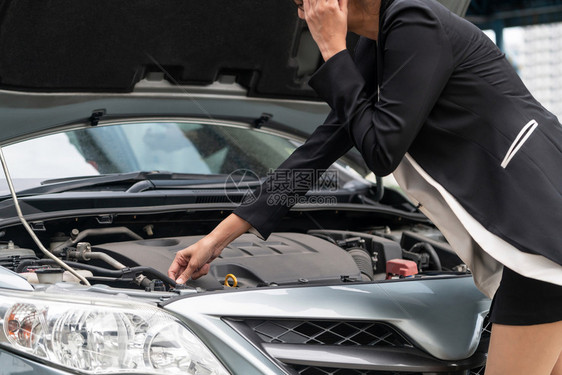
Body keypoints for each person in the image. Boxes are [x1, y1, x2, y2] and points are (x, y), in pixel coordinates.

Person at [168, 0, 562, 373]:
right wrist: (217, 240)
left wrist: (332, 48)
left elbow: (380, 150)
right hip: (536, 241)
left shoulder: (415, 22)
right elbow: (323, 146)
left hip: (539, 241)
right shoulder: (381, 44)